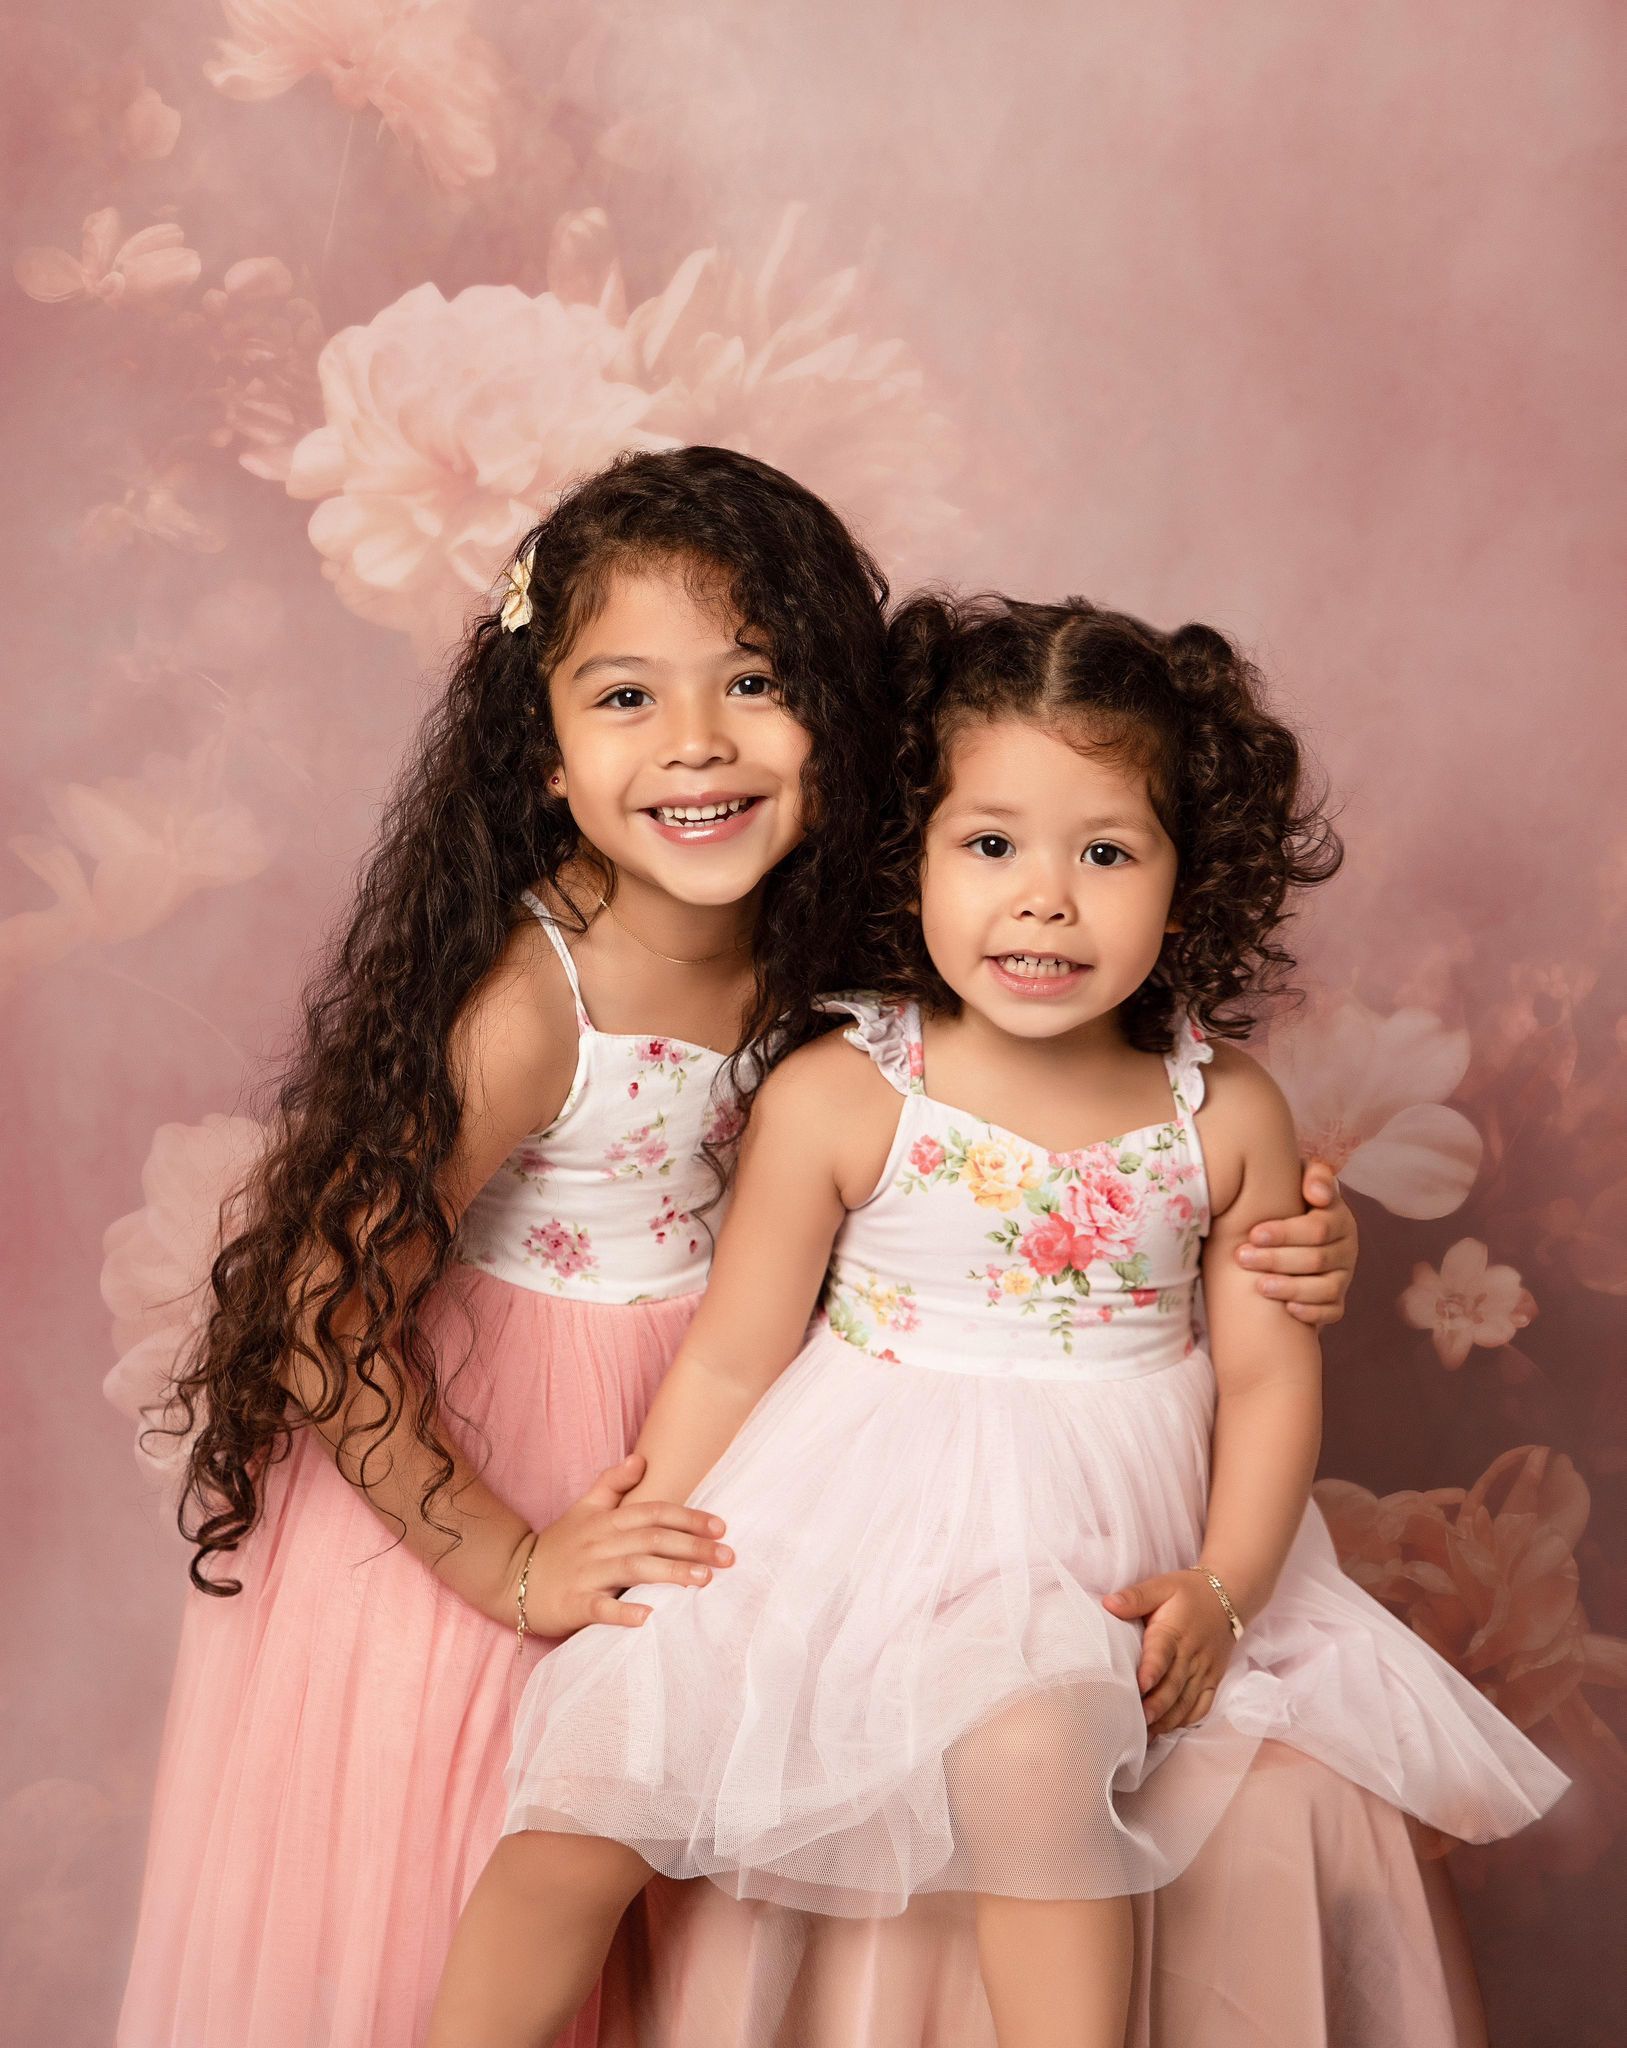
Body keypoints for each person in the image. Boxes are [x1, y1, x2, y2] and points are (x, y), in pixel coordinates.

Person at [112, 457, 1355, 2048]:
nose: (698, 741)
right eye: (627, 695)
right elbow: (319, 1306)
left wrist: (1307, 1228)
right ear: (542, 755)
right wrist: (510, 1559)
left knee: (685, 1914)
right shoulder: (523, 1007)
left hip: (752, 1445)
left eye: (755, 682)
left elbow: (1082, 1138)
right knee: (474, 1851)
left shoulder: (846, 938)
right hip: (494, 1476)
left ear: (848, 744)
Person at [428, 593, 1564, 2048]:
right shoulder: (844, 1091)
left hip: (1084, 1552)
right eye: (990, 846)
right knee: (593, 1778)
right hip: (841, 1523)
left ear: (1185, 877)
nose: (1045, 899)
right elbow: (733, 1349)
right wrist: (651, 1528)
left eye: (1105, 852)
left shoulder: (1219, 1115)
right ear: (911, 862)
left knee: (1035, 1761)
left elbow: (1271, 1384)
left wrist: (1224, 1585)